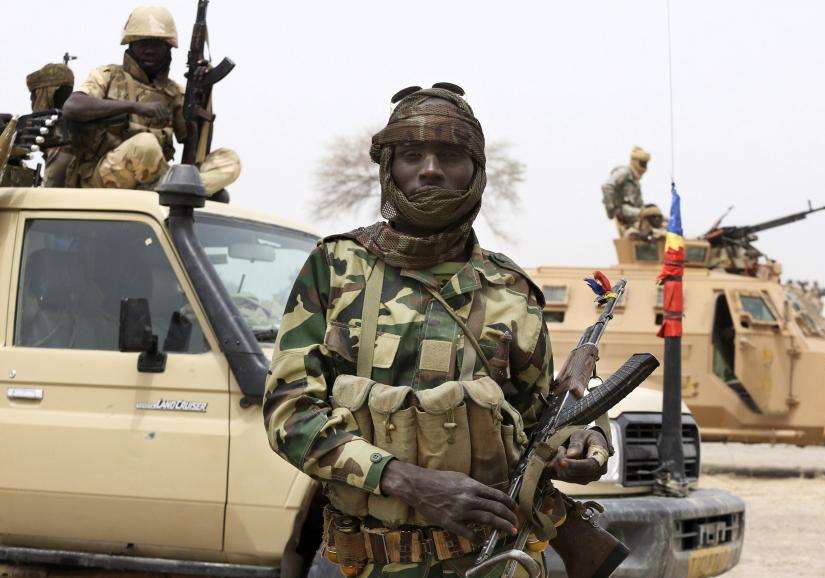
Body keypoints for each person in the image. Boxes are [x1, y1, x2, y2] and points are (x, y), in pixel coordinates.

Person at [264, 84, 609, 578]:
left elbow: (538, 427)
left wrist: (583, 445)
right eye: (411, 154)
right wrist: (404, 480)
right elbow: (288, 414)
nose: (430, 168)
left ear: (475, 171)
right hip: (359, 563)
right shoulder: (335, 267)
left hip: (490, 559)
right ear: (389, 168)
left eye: (449, 154)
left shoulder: (511, 290)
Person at [60, 5, 239, 194]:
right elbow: (73, 107)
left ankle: (179, 191)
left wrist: (203, 92)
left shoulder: (174, 93)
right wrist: (135, 107)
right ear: (131, 45)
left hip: (155, 177)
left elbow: (196, 146)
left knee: (229, 160)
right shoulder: (107, 76)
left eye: (157, 44)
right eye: (143, 43)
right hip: (104, 175)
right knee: (144, 144)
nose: (150, 50)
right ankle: (179, 190)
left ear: (168, 49)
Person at [26, 62, 76, 186]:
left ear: (45, 95)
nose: (32, 102)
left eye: (33, 96)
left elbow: (50, 193)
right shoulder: (77, 123)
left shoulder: (60, 140)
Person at [601, 145, 651, 236]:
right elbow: (607, 186)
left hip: (633, 210)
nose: (645, 167)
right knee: (647, 214)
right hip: (622, 209)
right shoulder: (624, 173)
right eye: (643, 164)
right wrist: (611, 209)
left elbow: (639, 203)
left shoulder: (635, 180)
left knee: (657, 216)